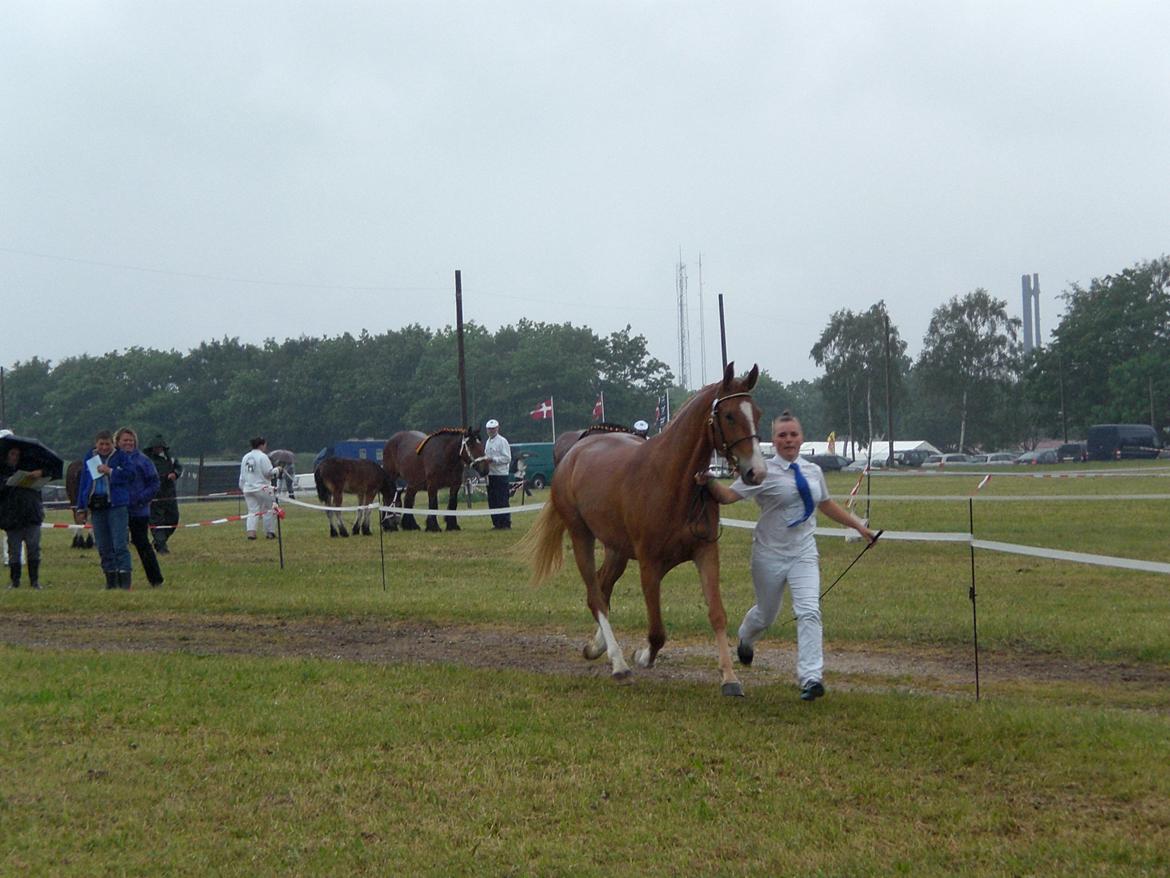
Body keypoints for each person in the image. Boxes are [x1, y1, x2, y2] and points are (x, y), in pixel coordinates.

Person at [696, 410, 876, 701]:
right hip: (768, 555)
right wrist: (708, 483)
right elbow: (729, 497)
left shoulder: (813, 471)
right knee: (766, 614)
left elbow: (826, 505)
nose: (788, 440)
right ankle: (746, 636)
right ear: (774, 440)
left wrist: (859, 526)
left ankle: (811, 678)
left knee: (809, 611)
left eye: (793, 434)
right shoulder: (762, 470)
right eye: (782, 435)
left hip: (804, 554)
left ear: (801, 438)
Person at [77, 429, 134, 589]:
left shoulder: (121, 456)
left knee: (119, 545)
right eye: (101, 444)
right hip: (97, 506)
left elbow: (131, 474)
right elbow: (84, 482)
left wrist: (111, 472)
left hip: (116, 506)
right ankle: (111, 581)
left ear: (112, 444)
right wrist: (81, 507)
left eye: (107, 444)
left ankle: (124, 582)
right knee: (103, 545)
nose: (104, 447)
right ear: (96, 444)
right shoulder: (90, 457)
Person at [117, 428, 164, 587]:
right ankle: (119, 579)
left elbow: (154, 483)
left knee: (142, 544)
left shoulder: (143, 461)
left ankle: (156, 579)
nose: (128, 443)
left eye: (131, 440)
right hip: (117, 510)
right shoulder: (113, 460)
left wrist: (141, 499)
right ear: (118, 442)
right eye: (125, 440)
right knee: (117, 545)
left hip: (138, 511)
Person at [0, 444, 46, 589]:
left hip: (31, 514)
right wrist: (7, 483)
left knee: (34, 548)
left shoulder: (31, 468)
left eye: (17, 455)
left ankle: (34, 581)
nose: (15, 457)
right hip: (11, 517)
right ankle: (15, 581)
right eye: (12, 454)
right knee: (14, 550)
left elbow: (50, 472)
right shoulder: (2, 471)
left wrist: (41, 473)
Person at [145, 434, 182, 553]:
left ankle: (159, 540)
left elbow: (178, 468)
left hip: (169, 494)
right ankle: (161, 546)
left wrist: (175, 474)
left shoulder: (170, 458)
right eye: (156, 447)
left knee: (173, 519)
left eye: (160, 447)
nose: (158, 450)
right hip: (154, 496)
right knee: (157, 522)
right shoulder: (147, 460)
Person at [239, 436, 277, 540]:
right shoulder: (263, 457)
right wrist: (277, 470)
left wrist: (243, 487)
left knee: (252, 511)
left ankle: (251, 533)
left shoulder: (245, 457)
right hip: (262, 488)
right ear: (262, 445)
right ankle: (270, 532)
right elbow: (268, 473)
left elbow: (242, 475)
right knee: (269, 509)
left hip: (248, 488)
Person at [483, 418, 512, 530]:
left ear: (497, 428)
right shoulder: (488, 442)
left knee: (502, 500)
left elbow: (507, 458)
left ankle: (505, 523)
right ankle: (496, 523)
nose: (491, 431)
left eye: (493, 429)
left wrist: (493, 460)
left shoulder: (502, 441)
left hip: (501, 475)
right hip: (490, 475)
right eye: (489, 429)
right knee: (492, 500)